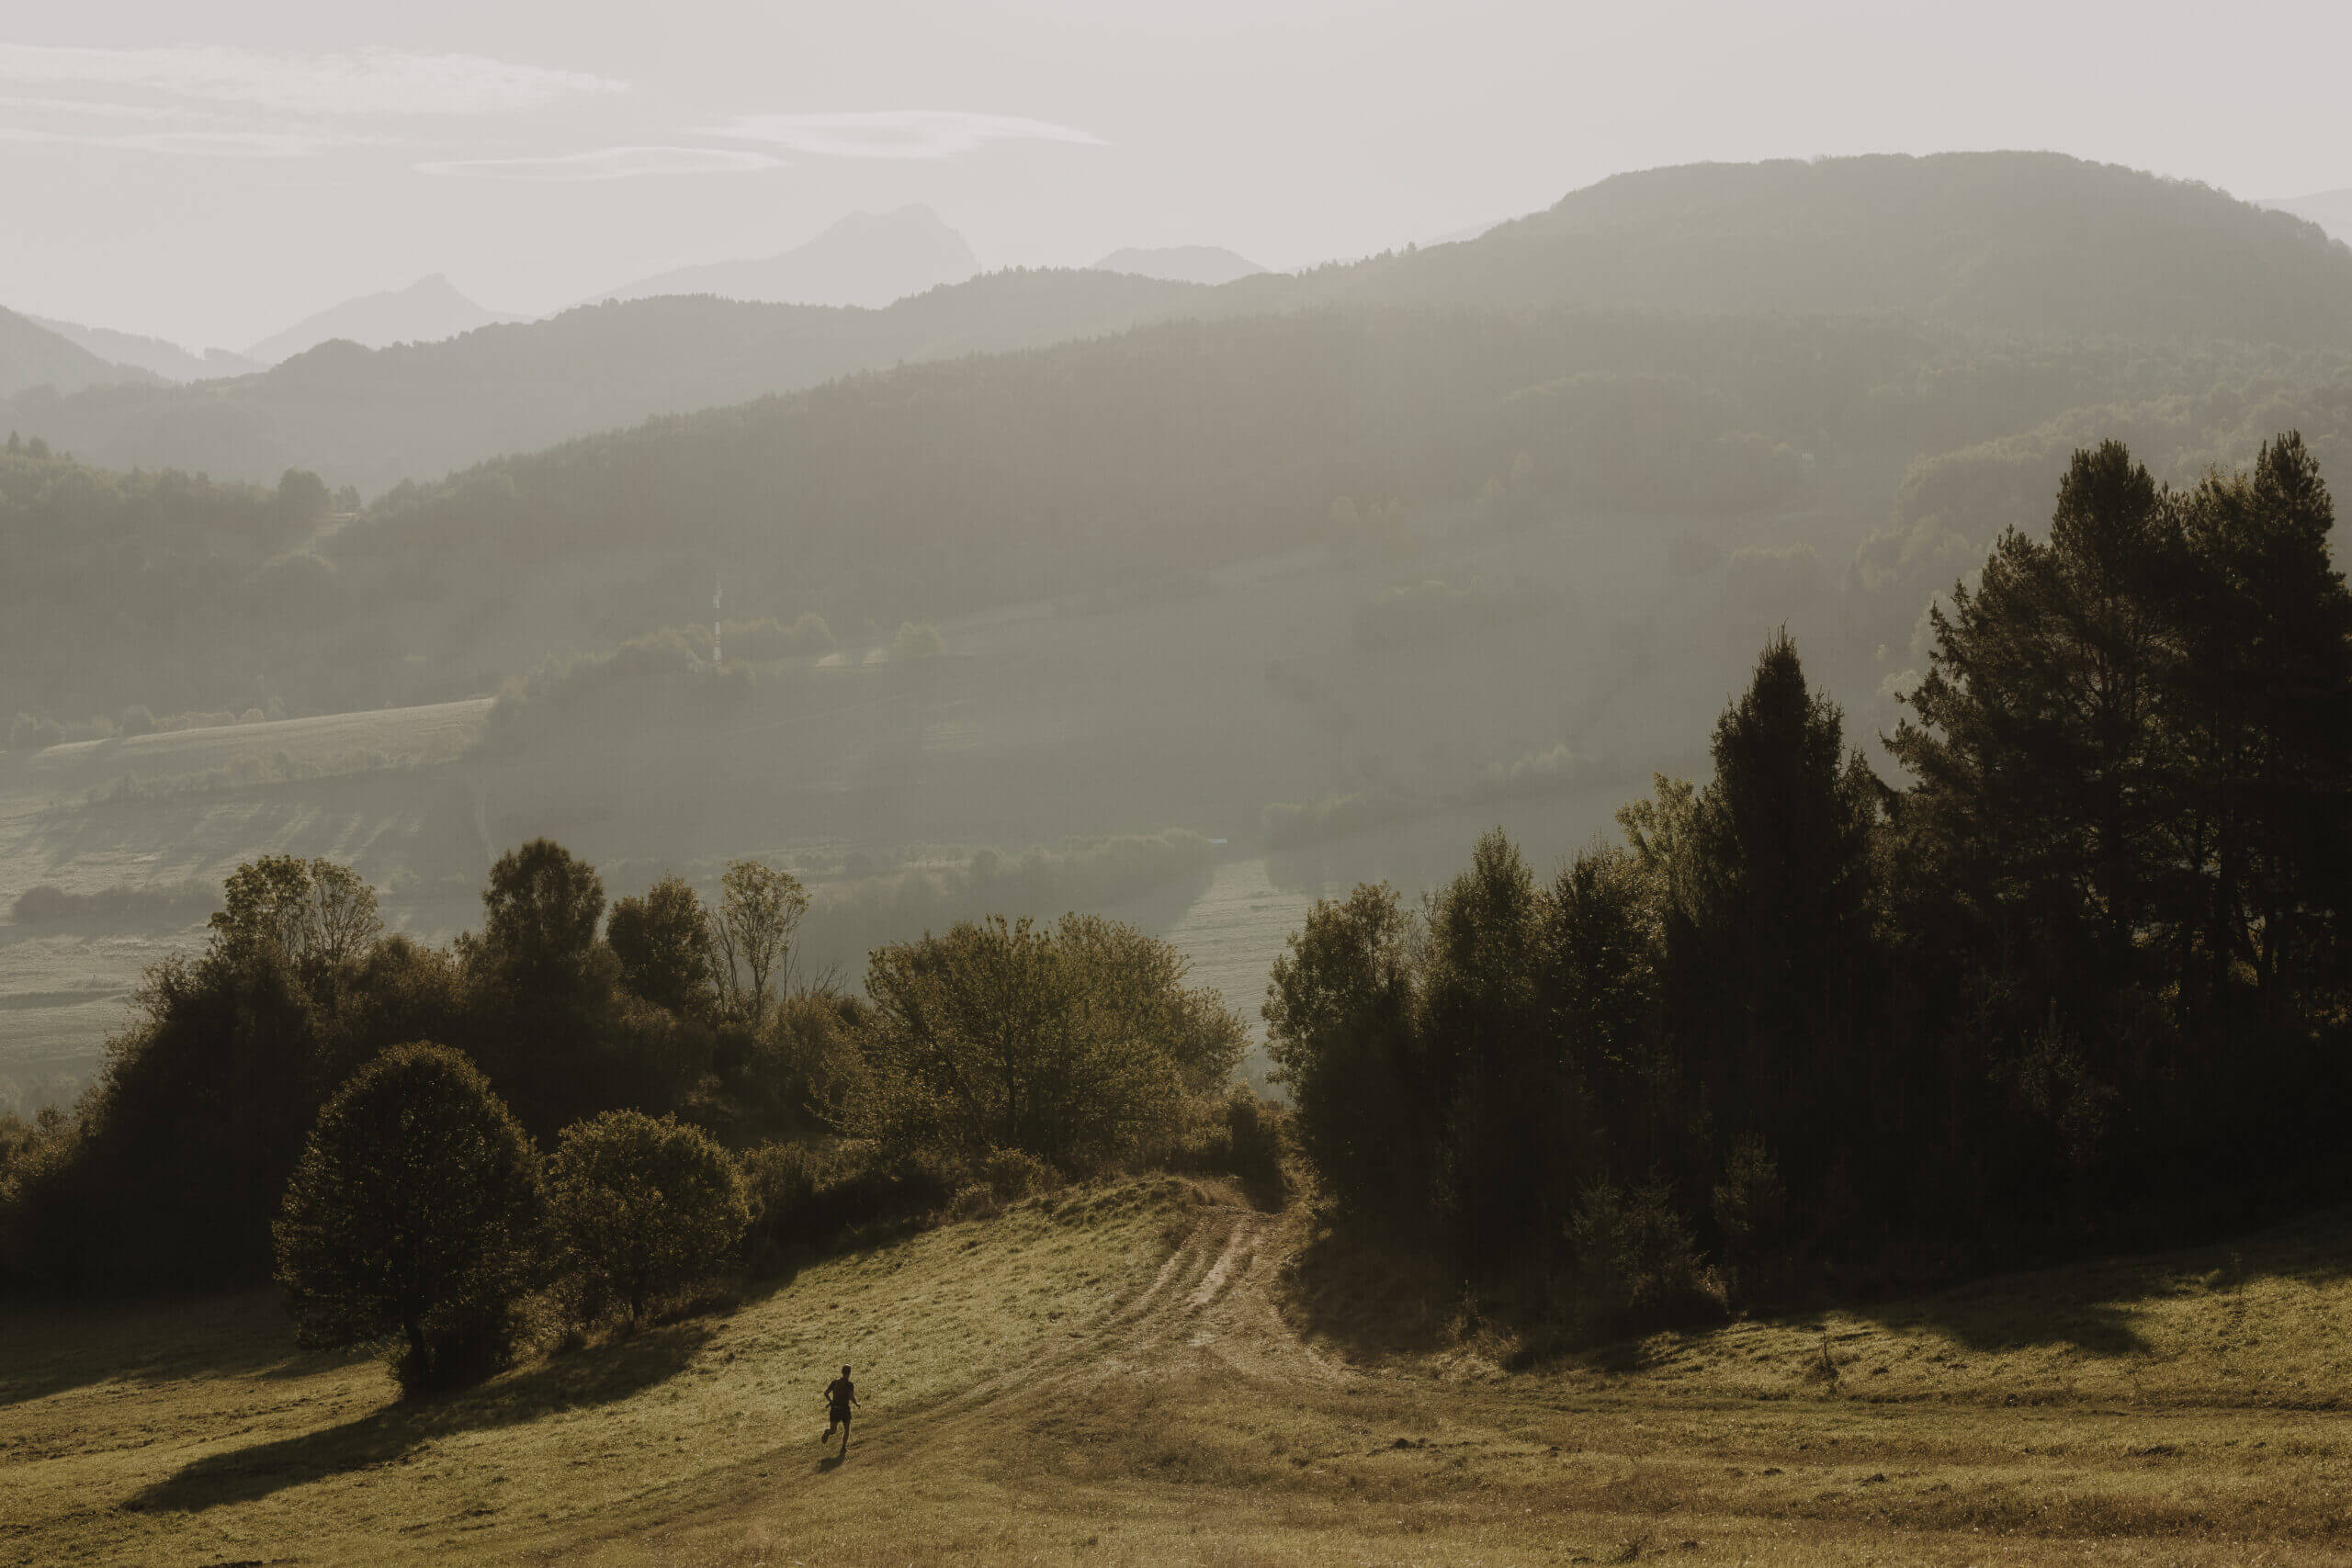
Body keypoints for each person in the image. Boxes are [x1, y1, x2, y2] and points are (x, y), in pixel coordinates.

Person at [822, 1364, 859, 1450]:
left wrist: (831, 1402)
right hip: (844, 1410)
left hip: (834, 1409)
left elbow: (826, 1393)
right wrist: (856, 1404)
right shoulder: (850, 1384)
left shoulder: (834, 1382)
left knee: (833, 1431)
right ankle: (843, 1447)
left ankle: (827, 1432)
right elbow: (851, 1397)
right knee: (846, 1429)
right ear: (849, 1373)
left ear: (842, 1372)